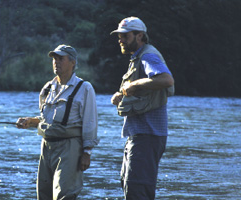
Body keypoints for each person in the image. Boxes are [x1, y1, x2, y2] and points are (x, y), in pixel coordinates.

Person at [16, 44, 99, 200]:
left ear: (73, 62)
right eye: (54, 59)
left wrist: (87, 153)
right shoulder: (48, 87)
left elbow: (90, 122)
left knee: (64, 195)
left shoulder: (85, 88)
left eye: (61, 58)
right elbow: (46, 118)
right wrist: (30, 121)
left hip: (70, 147)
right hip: (46, 146)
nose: (56, 62)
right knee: (44, 195)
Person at [110, 16, 175, 199]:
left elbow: (166, 79)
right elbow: (143, 89)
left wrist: (135, 85)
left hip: (148, 135)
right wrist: (122, 94)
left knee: (137, 190)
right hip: (139, 134)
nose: (120, 40)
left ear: (139, 35)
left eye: (125, 35)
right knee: (129, 184)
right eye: (119, 36)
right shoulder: (137, 57)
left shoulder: (148, 56)